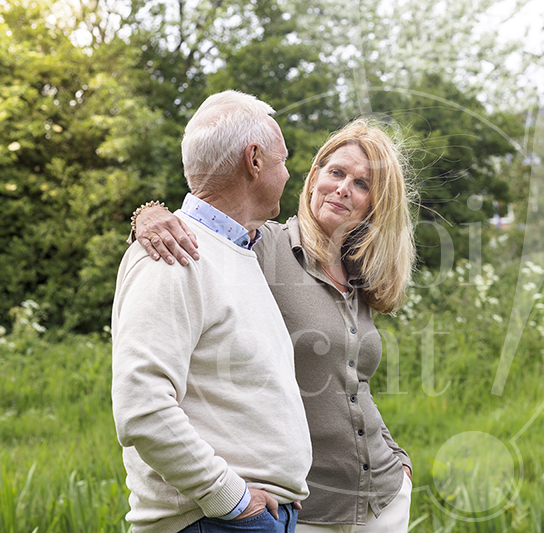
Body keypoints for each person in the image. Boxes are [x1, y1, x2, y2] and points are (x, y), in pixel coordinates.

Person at [130, 117, 417, 532]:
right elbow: (203, 226)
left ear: (376, 203)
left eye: (362, 184)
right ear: (314, 175)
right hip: (301, 506)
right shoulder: (263, 246)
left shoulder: (359, 274)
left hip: (383, 497)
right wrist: (148, 215)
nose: (343, 188)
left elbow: (355, 386)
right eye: (336, 172)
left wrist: (399, 460)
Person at [112, 90, 312, 533]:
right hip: (216, 521)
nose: (289, 172)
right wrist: (231, 499)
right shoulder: (172, 256)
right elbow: (141, 406)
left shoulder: (238, 248)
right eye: (283, 159)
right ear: (254, 160)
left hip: (247, 518)